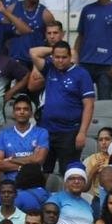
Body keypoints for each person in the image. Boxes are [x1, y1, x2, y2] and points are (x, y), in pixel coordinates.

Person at [28, 39, 95, 176]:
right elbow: (33, 52)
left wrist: (82, 132)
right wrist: (53, 48)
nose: (60, 60)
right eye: (57, 57)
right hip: (46, 131)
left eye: (64, 57)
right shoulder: (49, 68)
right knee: (43, 172)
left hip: (70, 132)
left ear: (70, 57)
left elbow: (89, 104)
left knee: (68, 173)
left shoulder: (82, 74)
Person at [0, 94, 49, 186]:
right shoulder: (3, 134)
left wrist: (11, 159)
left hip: (34, 184)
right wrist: (29, 161)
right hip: (10, 186)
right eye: (18, 109)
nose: (22, 112)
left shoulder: (41, 133)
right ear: (13, 113)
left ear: (31, 113)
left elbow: (38, 160)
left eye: (25, 109)